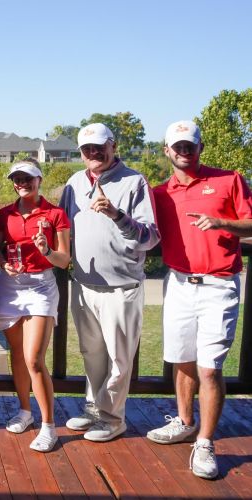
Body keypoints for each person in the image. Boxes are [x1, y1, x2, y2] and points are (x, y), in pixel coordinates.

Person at [148, 121, 252, 479]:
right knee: (182, 359)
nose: (183, 151)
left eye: (189, 145)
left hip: (219, 285)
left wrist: (222, 223)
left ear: (200, 147)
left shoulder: (229, 180)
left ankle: (205, 443)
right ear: (166, 151)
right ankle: (186, 421)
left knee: (209, 368)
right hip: (178, 283)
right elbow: (142, 232)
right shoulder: (159, 193)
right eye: (177, 146)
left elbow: (251, 223)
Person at [59, 123, 160, 442]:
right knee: (92, 353)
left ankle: (113, 418)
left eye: (100, 147)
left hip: (122, 286)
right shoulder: (74, 183)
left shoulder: (134, 181)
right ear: (80, 153)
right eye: (87, 149)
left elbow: (151, 237)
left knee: (119, 358)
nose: (94, 153)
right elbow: (62, 229)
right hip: (84, 284)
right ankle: (94, 411)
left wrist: (117, 215)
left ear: (113, 146)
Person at [0, 159, 70, 452]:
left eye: (28, 178)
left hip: (40, 286)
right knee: (17, 353)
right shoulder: (5, 213)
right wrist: (1, 262)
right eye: (18, 179)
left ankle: (48, 425)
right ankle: (25, 411)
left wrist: (45, 250)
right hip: (9, 287)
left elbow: (64, 260)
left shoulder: (55, 214)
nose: (22, 183)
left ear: (39, 179)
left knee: (34, 359)